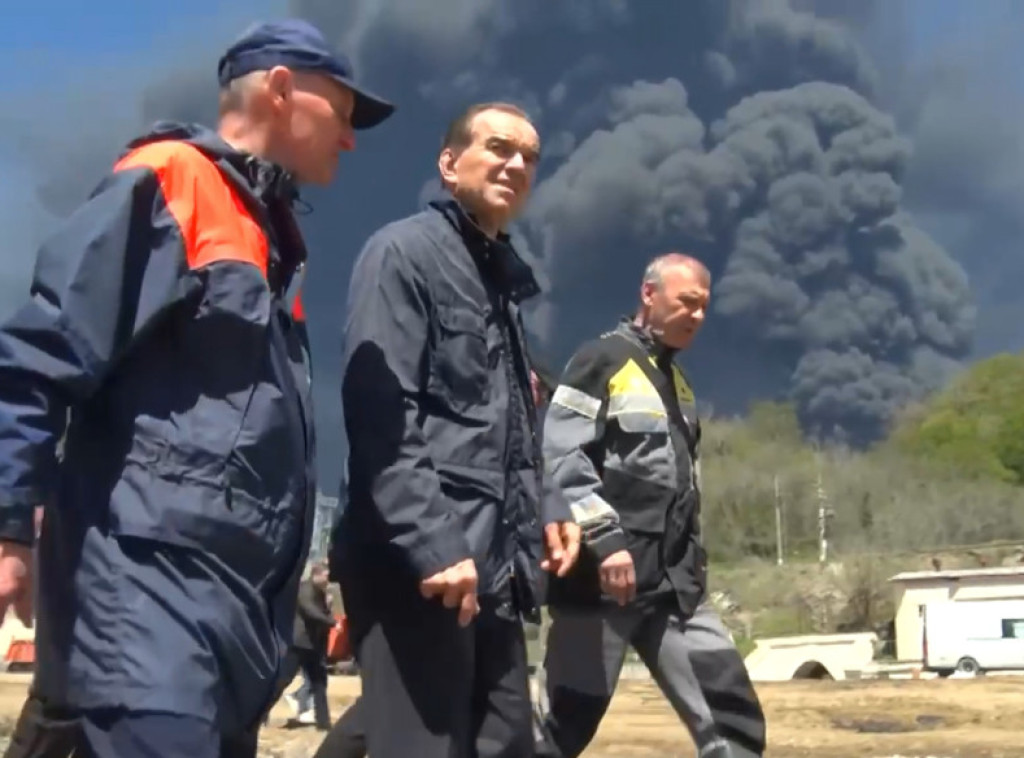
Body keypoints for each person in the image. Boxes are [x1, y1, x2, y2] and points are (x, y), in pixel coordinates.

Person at [0, 18, 394, 758]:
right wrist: (8, 520)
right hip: (148, 603)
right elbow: (35, 355)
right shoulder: (173, 181)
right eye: (341, 113)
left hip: (225, 626)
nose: (349, 138)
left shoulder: (271, 236)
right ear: (281, 90)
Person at [334, 102, 581, 758]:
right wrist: (431, 542)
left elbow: (510, 424)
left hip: (495, 566)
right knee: (422, 746)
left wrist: (549, 505)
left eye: (530, 156)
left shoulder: (502, 286)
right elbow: (380, 409)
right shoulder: (403, 255)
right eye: (498, 147)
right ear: (449, 165)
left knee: (506, 744)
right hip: (420, 564)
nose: (517, 164)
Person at [534, 253, 767, 758]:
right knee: (558, 732)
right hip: (603, 582)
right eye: (687, 302)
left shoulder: (677, 381)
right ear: (648, 294)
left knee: (735, 724)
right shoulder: (602, 359)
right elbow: (560, 454)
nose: (697, 316)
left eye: (705, 307)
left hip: (675, 585)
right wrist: (605, 541)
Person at [313, 365, 557, 758]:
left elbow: (523, 474)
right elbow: (384, 442)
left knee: (490, 723)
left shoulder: (508, 404)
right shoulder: (428, 391)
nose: (537, 400)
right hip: (420, 562)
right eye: (536, 390)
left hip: (485, 569)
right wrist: (432, 542)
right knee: (411, 711)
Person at [278, 562, 337, 730]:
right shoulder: (304, 589)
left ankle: (323, 723)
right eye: (326, 576)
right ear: (316, 574)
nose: (328, 580)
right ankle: (261, 713)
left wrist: (329, 606)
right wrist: (333, 622)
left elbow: (323, 614)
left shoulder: (322, 593)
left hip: (313, 645)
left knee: (319, 683)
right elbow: (310, 611)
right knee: (283, 680)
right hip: (299, 643)